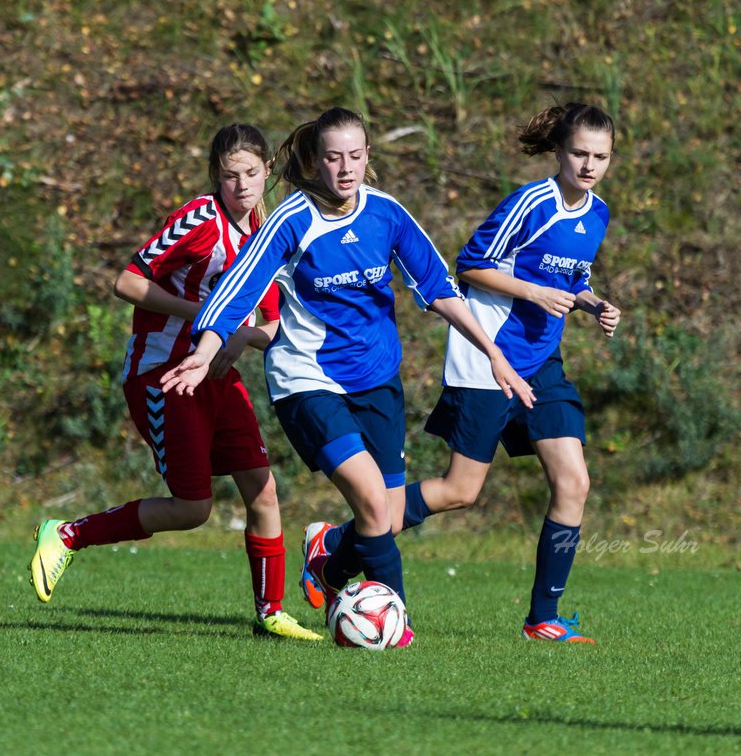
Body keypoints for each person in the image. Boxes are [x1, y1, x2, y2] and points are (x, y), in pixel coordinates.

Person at [160, 107, 532, 647]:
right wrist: (207, 348)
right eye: (333, 157)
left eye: (356, 156)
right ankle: (396, 628)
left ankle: (329, 566)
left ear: (368, 158)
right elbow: (236, 291)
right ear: (314, 162)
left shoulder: (386, 213)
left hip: (378, 380)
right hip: (307, 379)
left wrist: (494, 353)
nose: (346, 167)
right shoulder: (291, 221)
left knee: (385, 511)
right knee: (375, 503)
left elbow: (439, 288)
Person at [302, 102, 620, 644]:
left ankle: (543, 617)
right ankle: (336, 550)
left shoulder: (598, 212)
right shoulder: (532, 202)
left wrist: (590, 301)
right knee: (459, 490)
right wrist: (533, 292)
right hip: (487, 358)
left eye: (601, 157)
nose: (589, 166)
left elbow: (570, 272)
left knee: (575, 482)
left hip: (542, 363)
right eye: (579, 154)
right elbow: (470, 264)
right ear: (559, 152)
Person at [28, 123, 321, 641]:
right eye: (230, 176)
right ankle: (68, 535)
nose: (242, 185)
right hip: (162, 374)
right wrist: (204, 312)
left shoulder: (268, 231)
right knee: (193, 508)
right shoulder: (198, 219)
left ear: (268, 171)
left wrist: (237, 337)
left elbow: (269, 324)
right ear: (215, 176)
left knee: (263, 489)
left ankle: (271, 612)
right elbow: (127, 281)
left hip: (216, 376)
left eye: (252, 173)